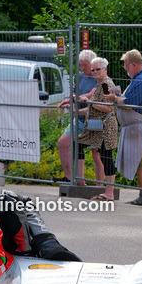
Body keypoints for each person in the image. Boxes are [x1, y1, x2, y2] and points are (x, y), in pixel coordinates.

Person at [105, 49, 142, 206]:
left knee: (141, 160)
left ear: (134, 64)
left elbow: (128, 105)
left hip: (137, 126)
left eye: (126, 65)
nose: (125, 68)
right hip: (138, 125)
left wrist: (114, 98)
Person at [56, 49, 104, 185]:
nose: (83, 68)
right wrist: (69, 100)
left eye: (85, 65)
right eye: (81, 65)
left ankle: (100, 186)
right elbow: (74, 93)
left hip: (94, 120)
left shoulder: (99, 77)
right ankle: (73, 179)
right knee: (63, 143)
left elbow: (92, 93)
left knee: (96, 152)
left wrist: (78, 98)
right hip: (80, 118)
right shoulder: (80, 76)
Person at [77, 57, 118, 201]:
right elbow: (93, 108)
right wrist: (76, 111)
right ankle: (80, 180)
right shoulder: (100, 84)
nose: (94, 72)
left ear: (105, 69)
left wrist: (89, 102)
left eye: (97, 69)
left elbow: (108, 108)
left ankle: (109, 193)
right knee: (80, 145)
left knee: (106, 158)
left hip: (106, 127)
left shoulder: (107, 85)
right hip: (99, 128)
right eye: (93, 69)